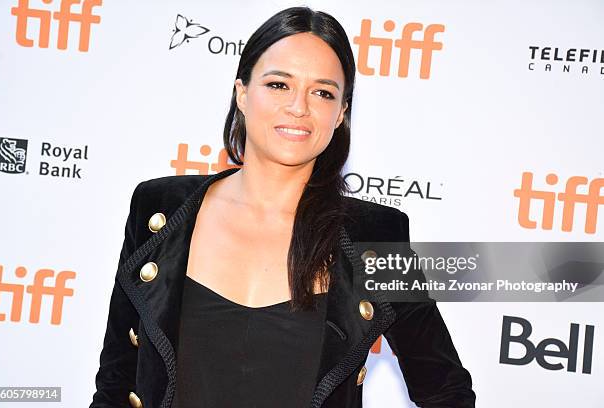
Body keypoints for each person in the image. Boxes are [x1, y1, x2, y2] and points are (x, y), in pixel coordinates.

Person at [90, 6, 476, 408]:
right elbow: (116, 381)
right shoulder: (159, 210)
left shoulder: (375, 237)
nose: (299, 107)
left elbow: (446, 390)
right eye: (278, 85)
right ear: (242, 92)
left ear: (341, 112)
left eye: (323, 92)